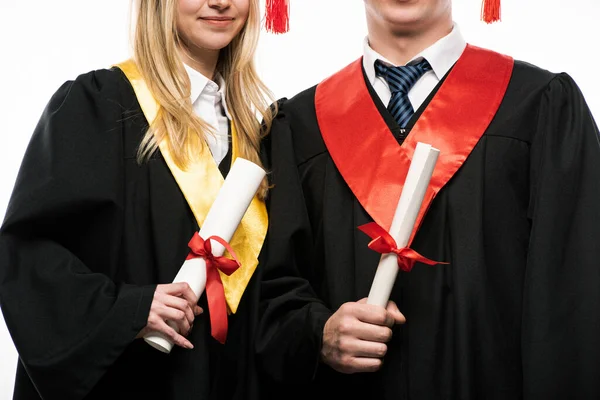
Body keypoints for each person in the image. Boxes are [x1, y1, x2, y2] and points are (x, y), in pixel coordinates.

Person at [256, 0, 600, 399]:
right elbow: (270, 297)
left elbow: (574, 300)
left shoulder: (540, 106)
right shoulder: (297, 127)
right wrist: (319, 334)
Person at [0, 0, 274, 399]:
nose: (221, 1)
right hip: (129, 383)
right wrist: (129, 309)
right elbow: (29, 254)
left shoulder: (257, 135)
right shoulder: (99, 104)